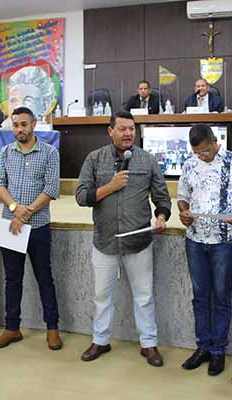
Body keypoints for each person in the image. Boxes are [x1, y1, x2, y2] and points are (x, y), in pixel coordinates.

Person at [75, 111, 172, 367]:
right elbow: (81, 196)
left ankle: (148, 344)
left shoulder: (147, 160)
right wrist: (110, 187)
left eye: (132, 129)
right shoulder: (94, 159)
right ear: (111, 131)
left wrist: (161, 217)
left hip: (138, 241)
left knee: (144, 296)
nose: (128, 133)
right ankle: (100, 340)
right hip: (105, 241)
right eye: (122, 129)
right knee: (101, 296)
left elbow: (162, 197)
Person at [178, 124, 232, 376]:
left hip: (225, 240)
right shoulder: (189, 164)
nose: (201, 156)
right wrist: (184, 212)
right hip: (195, 239)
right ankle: (203, 347)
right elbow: (182, 196)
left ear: (214, 141)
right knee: (200, 296)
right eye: (197, 152)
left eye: (205, 151)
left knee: (221, 297)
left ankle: (218, 351)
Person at [0, 106, 63, 350]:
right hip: (9, 225)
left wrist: (25, 214)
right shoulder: (6, 152)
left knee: (44, 277)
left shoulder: (49, 152)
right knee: (12, 279)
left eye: (24, 124)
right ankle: (12, 328)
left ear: (33, 124)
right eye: (16, 125)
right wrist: (14, 208)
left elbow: (51, 188)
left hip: (38, 225)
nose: (19, 129)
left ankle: (52, 329)